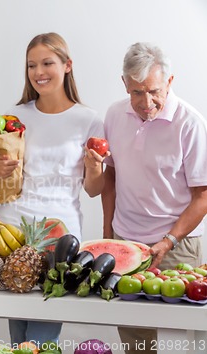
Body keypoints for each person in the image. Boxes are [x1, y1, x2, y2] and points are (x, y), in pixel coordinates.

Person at [0, 33, 107, 348]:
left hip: (59, 236)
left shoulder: (89, 119)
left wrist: (94, 169)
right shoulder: (15, 116)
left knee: (42, 332)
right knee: (17, 332)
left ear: (67, 65)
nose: (39, 72)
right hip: (12, 228)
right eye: (31, 65)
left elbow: (94, 189)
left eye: (47, 63)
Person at [102, 42, 207, 354]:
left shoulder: (190, 123)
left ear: (170, 82)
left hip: (177, 243)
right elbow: (110, 177)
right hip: (126, 241)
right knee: (136, 341)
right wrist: (108, 233)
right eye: (136, 92)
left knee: (189, 337)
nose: (146, 102)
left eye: (154, 91)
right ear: (125, 84)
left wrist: (169, 240)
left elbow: (202, 195)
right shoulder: (114, 115)